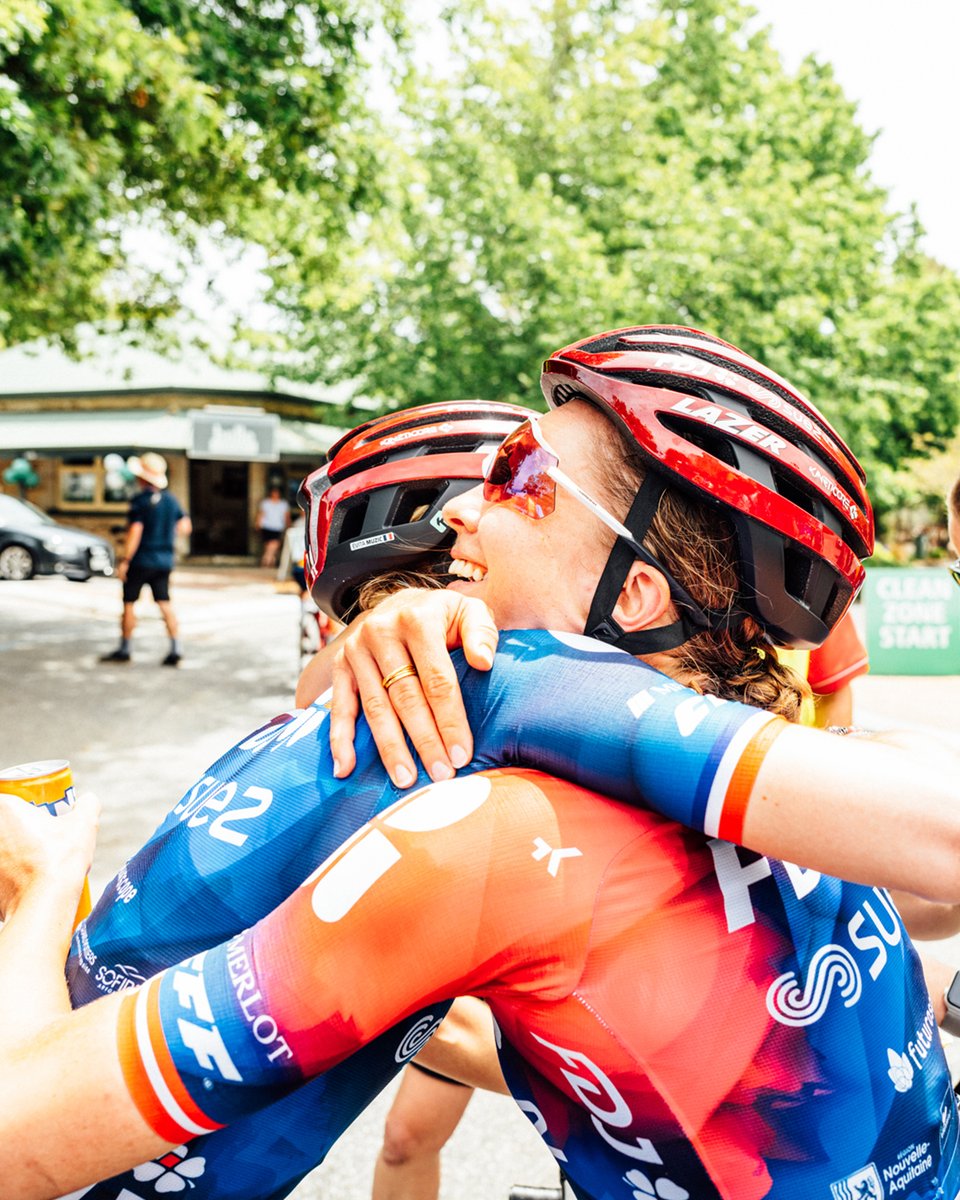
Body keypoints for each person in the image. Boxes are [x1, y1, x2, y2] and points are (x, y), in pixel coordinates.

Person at [6, 329, 960, 1197]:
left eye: (523, 474)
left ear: (632, 594)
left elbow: (18, 1139)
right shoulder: (780, 804)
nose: (461, 510)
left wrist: (44, 887)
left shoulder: (491, 838)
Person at [99, 451, 192, 667]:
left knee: (129, 604)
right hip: (163, 560)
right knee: (165, 603)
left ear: (142, 478)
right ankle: (175, 647)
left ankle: (125, 648)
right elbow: (185, 527)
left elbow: (135, 532)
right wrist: (165, 534)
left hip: (141, 560)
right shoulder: (171, 500)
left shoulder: (140, 501)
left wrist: (125, 560)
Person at [256, 483, 291, 569]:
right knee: (268, 545)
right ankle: (270, 560)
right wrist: (258, 523)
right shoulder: (265, 503)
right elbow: (261, 514)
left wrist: (288, 525)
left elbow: (286, 516)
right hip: (267, 526)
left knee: (274, 544)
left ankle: (266, 560)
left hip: (277, 526)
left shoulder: (283, 504)